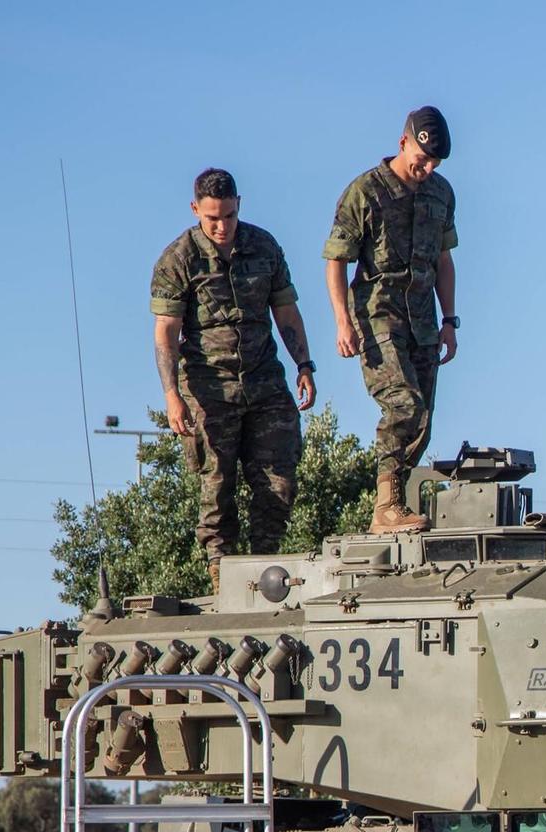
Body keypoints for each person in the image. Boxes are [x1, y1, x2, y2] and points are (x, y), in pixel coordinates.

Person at [150, 167, 315, 594]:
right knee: (217, 483)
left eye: (228, 215)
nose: (221, 226)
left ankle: (265, 574)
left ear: (239, 205)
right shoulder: (178, 259)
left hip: (264, 379)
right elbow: (166, 333)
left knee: (278, 479)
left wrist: (305, 365)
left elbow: (286, 313)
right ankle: (224, 579)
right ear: (195, 210)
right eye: (211, 218)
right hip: (209, 387)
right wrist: (172, 396)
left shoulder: (264, 247)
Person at [323, 106, 459, 535]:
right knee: (404, 405)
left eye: (435, 163)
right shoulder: (365, 191)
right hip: (377, 316)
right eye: (422, 160)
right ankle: (386, 506)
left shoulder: (441, 193)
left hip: (423, 320)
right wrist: (342, 322)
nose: (427, 169)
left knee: (423, 421)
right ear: (403, 143)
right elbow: (336, 261)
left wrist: (451, 320)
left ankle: (395, 503)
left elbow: (444, 259)